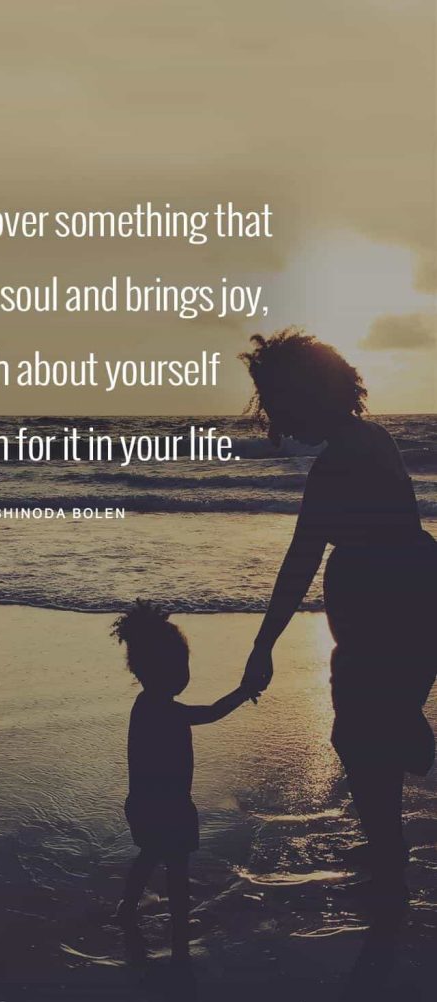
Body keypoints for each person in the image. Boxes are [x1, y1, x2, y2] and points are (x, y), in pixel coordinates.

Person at [239, 329, 437, 917]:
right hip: (412, 600)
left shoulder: (339, 466)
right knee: (376, 733)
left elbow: (301, 559)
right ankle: (390, 860)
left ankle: (390, 876)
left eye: (275, 399)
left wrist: (264, 645)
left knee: (359, 742)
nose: (272, 414)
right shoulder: (374, 439)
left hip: (382, 618)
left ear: (306, 394)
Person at [112, 599, 254, 958]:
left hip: (144, 803)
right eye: (182, 666)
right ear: (167, 671)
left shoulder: (144, 705)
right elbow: (211, 712)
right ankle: (179, 921)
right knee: (176, 864)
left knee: (149, 854)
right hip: (170, 804)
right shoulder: (165, 710)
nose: (186, 672)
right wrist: (242, 692)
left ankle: (128, 906)